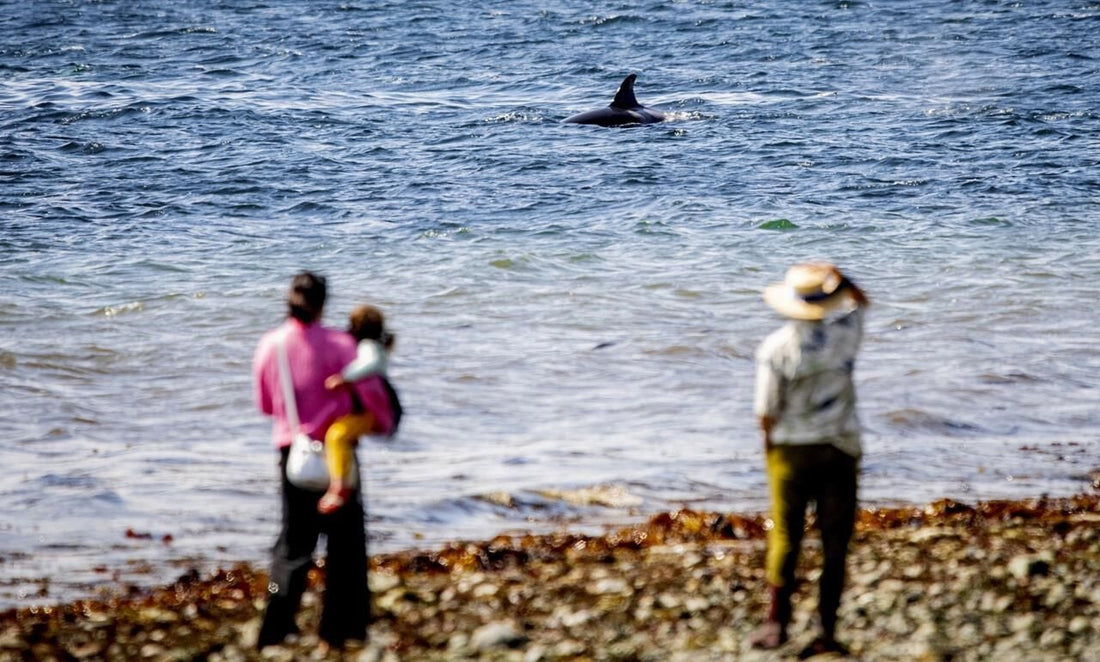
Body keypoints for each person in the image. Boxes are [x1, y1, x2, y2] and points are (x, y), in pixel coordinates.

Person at [252, 272, 395, 652]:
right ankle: (342, 628)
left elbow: (266, 405)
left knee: (291, 548)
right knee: (346, 546)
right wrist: (381, 424)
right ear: (323, 303)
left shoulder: (271, 345)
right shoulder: (341, 345)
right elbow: (373, 394)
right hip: (337, 454)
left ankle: (275, 628)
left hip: (293, 453)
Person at [749, 262, 869, 657]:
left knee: (786, 534)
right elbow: (862, 302)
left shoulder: (775, 348)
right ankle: (827, 629)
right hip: (840, 447)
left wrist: (769, 448)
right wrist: (840, 276)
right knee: (835, 542)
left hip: (792, 451)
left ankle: (776, 624)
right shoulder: (846, 334)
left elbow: (766, 411)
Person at [319, 304, 400, 515]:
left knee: (336, 436)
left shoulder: (368, 346)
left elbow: (369, 363)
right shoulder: (376, 345)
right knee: (342, 437)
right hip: (375, 409)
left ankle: (338, 487)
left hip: (373, 411)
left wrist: (343, 377)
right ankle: (342, 481)